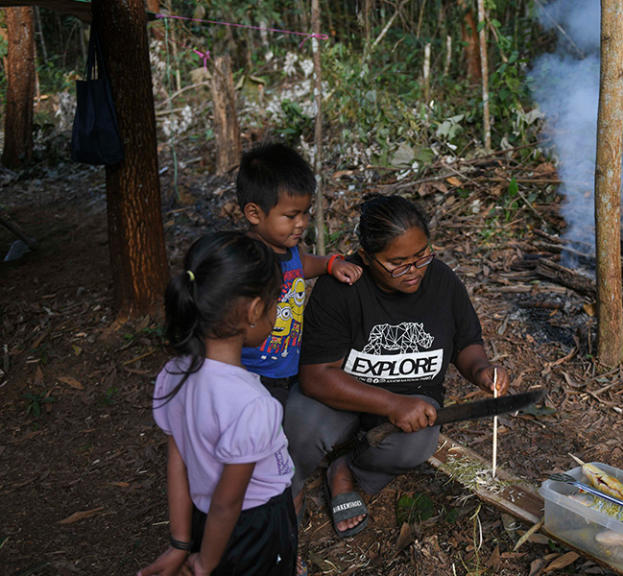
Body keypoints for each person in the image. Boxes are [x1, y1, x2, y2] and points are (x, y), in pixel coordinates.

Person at [284, 194, 509, 538]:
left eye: (421, 256)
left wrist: (481, 370)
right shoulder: (341, 287)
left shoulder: (442, 281)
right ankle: (290, 488)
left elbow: (466, 343)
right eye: (398, 263)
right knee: (300, 423)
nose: (413, 271)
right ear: (365, 257)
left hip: (412, 396)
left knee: (416, 444)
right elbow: (315, 377)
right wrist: (390, 403)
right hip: (341, 398)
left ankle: (348, 471)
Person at [138, 231, 297, 576]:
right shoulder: (253, 404)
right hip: (252, 528)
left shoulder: (174, 373)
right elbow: (228, 502)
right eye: (275, 303)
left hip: (201, 520)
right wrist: (206, 564)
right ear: (255, 310)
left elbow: (177, 463)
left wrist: (181, 543)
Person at [237, 142, 362, 403]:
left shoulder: (287, 247)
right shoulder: (247, 260)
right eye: (291, 215)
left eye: (305, 213)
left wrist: (329, 264)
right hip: (254, 372)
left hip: (289, 364)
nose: (302, 223)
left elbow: (300, 265)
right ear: (254, 213)